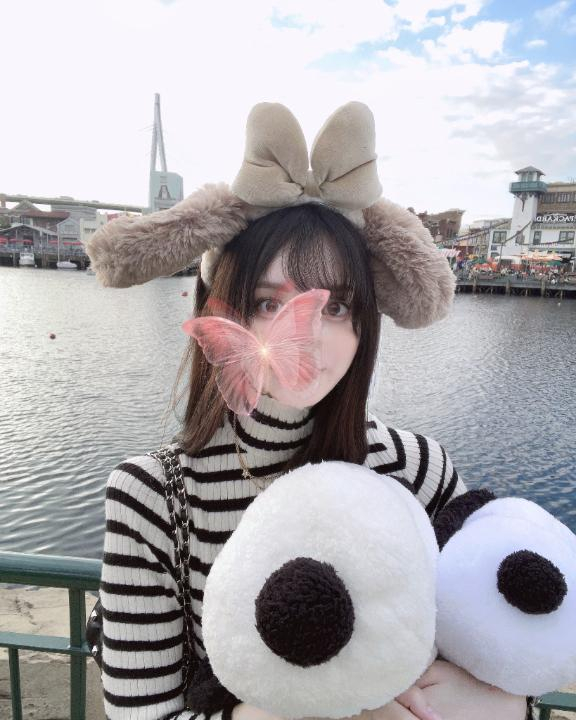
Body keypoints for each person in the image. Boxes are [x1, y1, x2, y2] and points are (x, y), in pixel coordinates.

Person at [87, 102, 532, 720]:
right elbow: (141, 712)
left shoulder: (416, 470)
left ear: (366, 320)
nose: (309, 339)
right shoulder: (154, 497)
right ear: (220, 309)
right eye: (268, 303)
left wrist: (502, 703)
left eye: (337, 306)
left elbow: (506, 640)